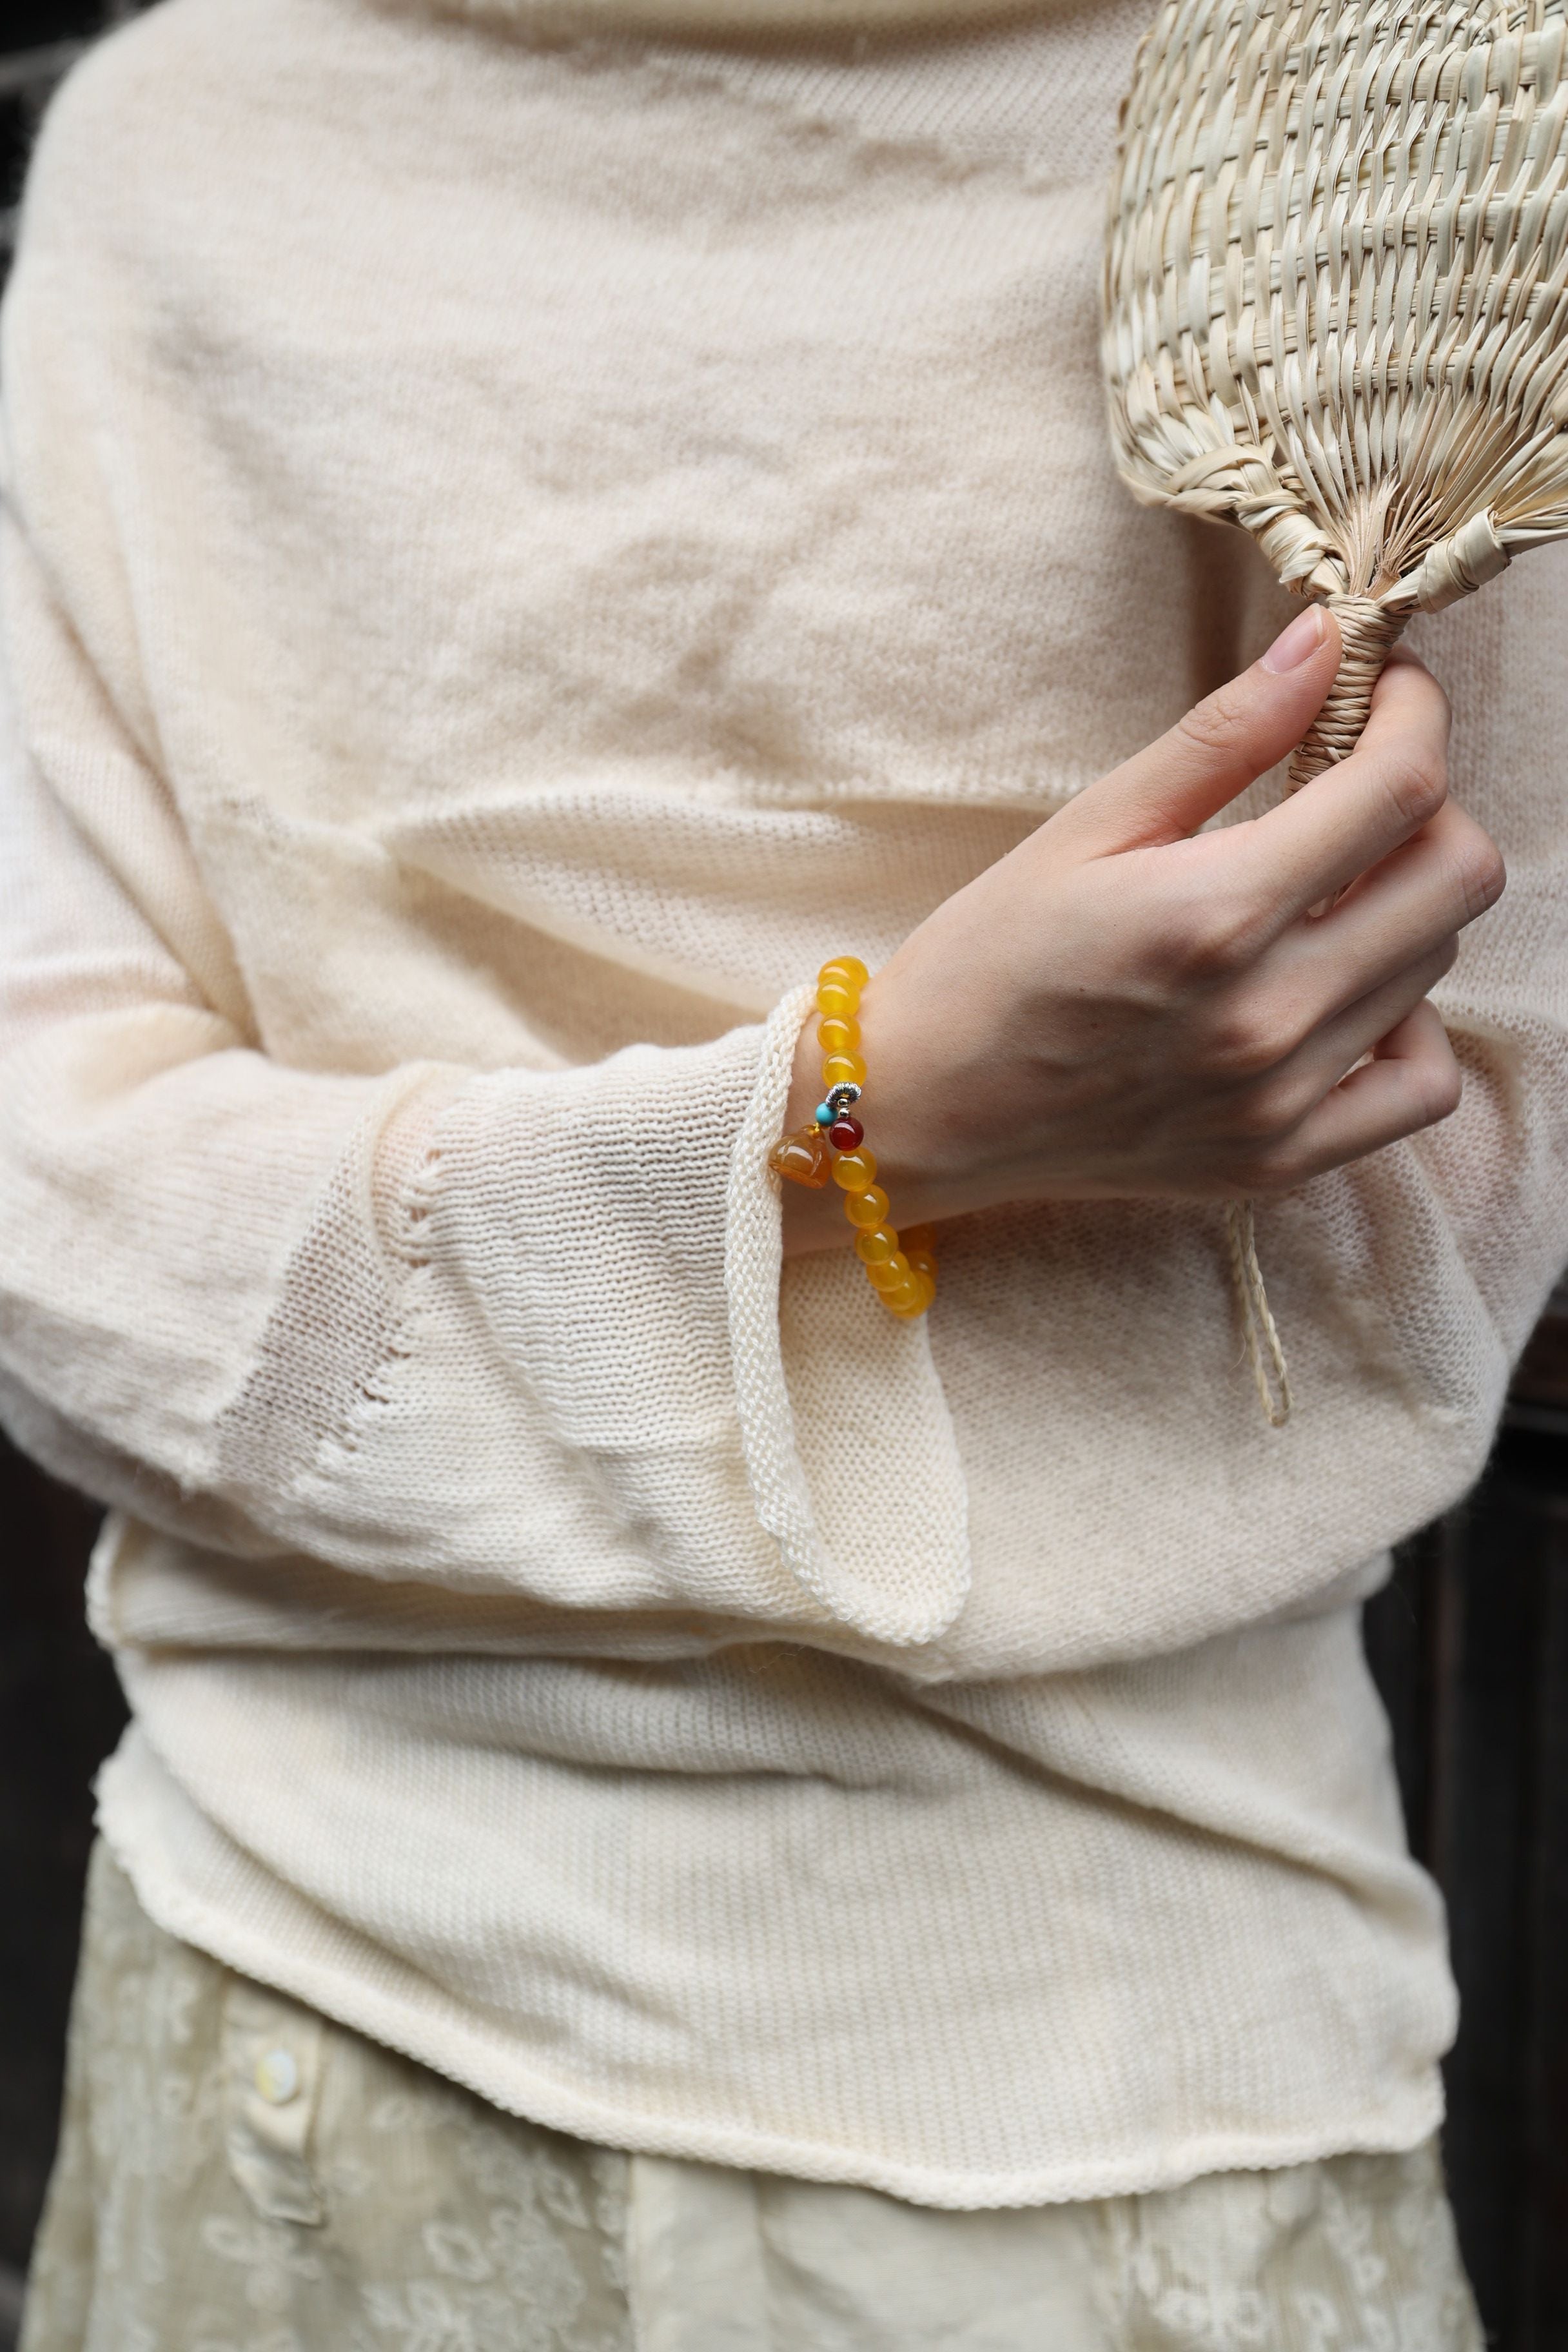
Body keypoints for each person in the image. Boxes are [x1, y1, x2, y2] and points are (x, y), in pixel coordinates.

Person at [2, 0, 1561, 2342]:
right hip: (278, 2023)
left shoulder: (1397, 117)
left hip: (1097, 2116)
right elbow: (50, 1202)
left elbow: (1435, 1228)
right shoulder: (186, 145)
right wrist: (862, 1117)